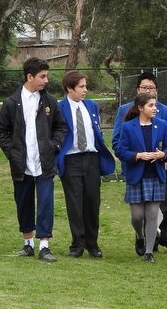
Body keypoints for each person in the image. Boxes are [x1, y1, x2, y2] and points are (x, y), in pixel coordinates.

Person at [0, 57, 67, 263]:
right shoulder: (11, 102)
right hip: (21, 163)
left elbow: (61, 127)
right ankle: (28, 244)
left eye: (46, 76)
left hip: (44, 162)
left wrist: (54, 145)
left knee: (45, 203)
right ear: (30, 76)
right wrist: (12, 151)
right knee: (23, 202)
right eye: (42, 76)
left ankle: (44, 246)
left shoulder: (49, 101)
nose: (46, 80)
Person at [112, 72, 167, 253]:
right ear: (137, 90)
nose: (148, 90)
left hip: (162, 167)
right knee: (140, 212)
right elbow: (117, 141)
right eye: (144, 88)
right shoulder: (125, 111)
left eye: (151, 88)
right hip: (137, 168)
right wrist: (136, 156)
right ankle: (146, 237)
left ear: (156, 90)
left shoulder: (165, 112)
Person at [56, 71, 115, 258]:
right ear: (69, 88)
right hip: (71, 159)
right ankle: (77, 244)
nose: (85, 90)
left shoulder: (91, 105)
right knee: (75, 203)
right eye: (81, 86)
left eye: (85, 86)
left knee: (92, 201)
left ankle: (92, 244)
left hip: (91, 159)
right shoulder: (59, 107)